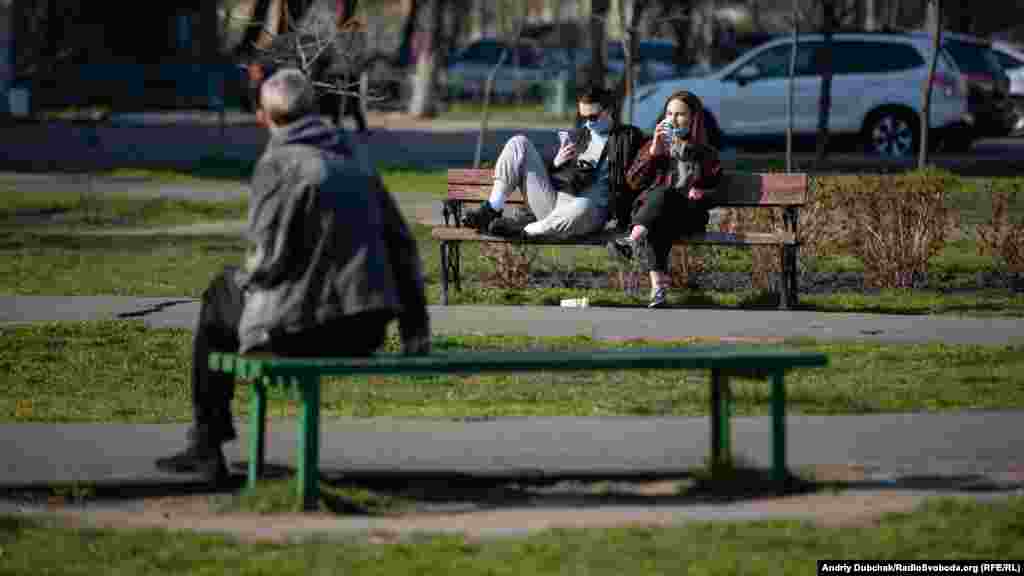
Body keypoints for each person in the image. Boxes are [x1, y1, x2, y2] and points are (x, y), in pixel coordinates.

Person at [155, 68, 430, 485]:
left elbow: (266, 260)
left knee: (220, 293)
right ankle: (206, 442)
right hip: (364, 332)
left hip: (301, 332)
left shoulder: (278, 164)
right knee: (238, 294)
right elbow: (402, 246)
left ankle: (206, 444)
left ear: (265, 116)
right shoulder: (355, 160)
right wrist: (415, 330)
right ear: (314, 110)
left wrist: (249, 291)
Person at [461, 84, 646, 240]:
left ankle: (524, 231)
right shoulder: (582, 136)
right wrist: (556, 163)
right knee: (519, 143)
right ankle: (492, 209)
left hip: (588, 212)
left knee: (583, 206)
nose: (588, 123)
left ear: (609, 111)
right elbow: (557, 176)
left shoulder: (628, 137)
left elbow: (646, 165)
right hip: (555, 203)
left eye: (593, 117)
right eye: (583, 117)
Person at [609, 90, 723, 308]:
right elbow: (633, 182)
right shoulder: (653, 145)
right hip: (653, 213)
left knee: (663, 199)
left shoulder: (706, 151)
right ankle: (658, 290)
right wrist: (653, 152)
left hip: (688, 214)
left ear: (693, 118)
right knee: (658, 214)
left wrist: (700, 190)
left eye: (680, 114)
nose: (673, 119)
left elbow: (714, 184)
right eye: (669, 114)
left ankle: (633, 241)